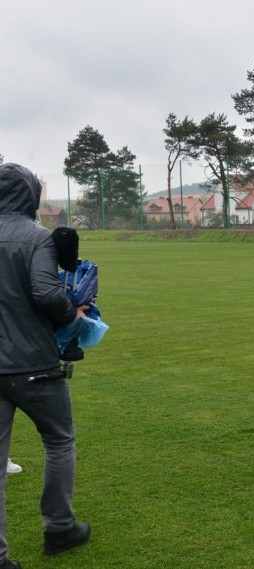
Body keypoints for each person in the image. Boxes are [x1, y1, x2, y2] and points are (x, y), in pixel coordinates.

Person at [0, 163, 92, 569]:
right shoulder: (39, 237)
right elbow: (45, 291)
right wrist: (73, 312)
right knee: (59, 440)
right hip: (33, 363)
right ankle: (59, 527)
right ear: (31, 195)